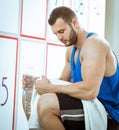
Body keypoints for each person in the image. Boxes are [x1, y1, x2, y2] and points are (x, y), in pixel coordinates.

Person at [22, 6, 119, 130]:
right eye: (56, 34)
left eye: (61, 31)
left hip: (109, 114)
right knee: (30, 95)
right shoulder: (71, 51)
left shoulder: (94, 44)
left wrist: (49, 87)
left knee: (46, 104)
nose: (59, 38)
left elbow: (90, 91)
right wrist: (36, 83)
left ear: (75, 23)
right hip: (89, 105)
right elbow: (63, 82)